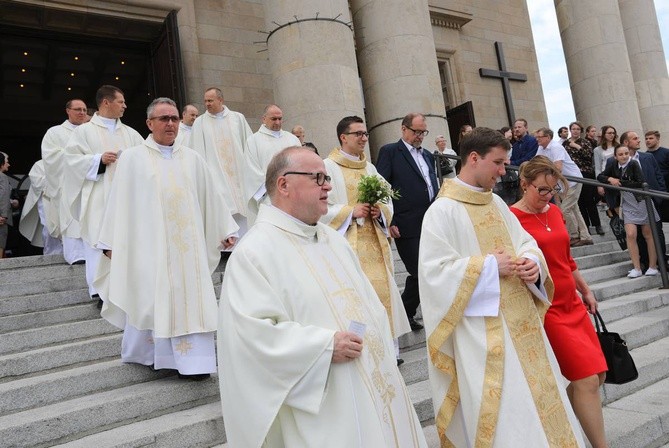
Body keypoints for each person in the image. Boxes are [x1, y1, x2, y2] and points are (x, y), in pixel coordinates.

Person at [218, 147, 428, 448]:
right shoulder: (254, 253)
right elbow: (250, 337)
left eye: (326, 177)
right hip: (325, 402)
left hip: (373, 384)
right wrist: (324, 346)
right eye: (317, 178)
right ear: (284, 185)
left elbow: (369, 304)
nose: (328, 186)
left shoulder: (333, 239)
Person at [418, 127, 585, 447]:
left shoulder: (495, 204)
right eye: (498, 162)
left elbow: (527, 243)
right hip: (484, 337)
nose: (503, 170)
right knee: (510, 416)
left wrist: (531, 262)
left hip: (524, 327)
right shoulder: (441, 212)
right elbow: (433, 275)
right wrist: (488, 266)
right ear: (473, 158)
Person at [94, 97, 238, 380]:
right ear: (149, 123)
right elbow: (118, 203)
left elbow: (211, 198)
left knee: (192, 301)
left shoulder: (192, 158)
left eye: (174, 118)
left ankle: (194, 363)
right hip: (152, 248)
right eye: (164, 119)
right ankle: (153, 355)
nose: (171, 123)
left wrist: (225, 230)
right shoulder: (133, 158)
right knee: (150, 297)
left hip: (190, 252)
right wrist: (110, 242)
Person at [511, 156, 608, 448]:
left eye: (552, 190)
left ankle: (560, 428)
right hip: (548, 307)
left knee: (598, 376)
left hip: (572, 303)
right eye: (541, 190)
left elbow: (567, 259)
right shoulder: (511, 218)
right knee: (585, 380)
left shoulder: (553, 211)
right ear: (524, 184)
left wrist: (586, 291)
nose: (548, 196)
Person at [321, 116, 411, 365]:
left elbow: (387, 200)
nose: (363, 138)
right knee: (356, 296)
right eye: (358, 133)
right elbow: (319, 207)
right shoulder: (327, 167)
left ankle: (390, 350)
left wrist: (378, 212)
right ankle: (364, 348)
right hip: (347, 245)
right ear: (343, 137)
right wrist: (351, 211)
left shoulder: (370, 168)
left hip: (375, 244)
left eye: (365, 134)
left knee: (381, 295)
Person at [62, 85, 144, 305]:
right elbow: (70, 162)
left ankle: (127, 290)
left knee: (127, 241)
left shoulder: (131, 133)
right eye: (121, 101)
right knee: (98, 241)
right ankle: (100, 292)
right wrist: (97, 160)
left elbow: (146, 161)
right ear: (106, 103)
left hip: (127, 199)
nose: (125, 106)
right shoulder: (84, 132)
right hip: (99, 197)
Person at [376, 112, 438, 331]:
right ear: (404, 129)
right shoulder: (390, 152)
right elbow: (382, 186)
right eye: (416, 131)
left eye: (423, 132)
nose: (420, 136)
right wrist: (388, 219)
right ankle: (406, 312)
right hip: (405, 224)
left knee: (428, 270)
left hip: (430, 222)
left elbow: (431, 184)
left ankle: (406, 312)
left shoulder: (429, 155)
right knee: (420, 271)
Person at [190, 87, 252, 233]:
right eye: (205, 101)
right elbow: (196, 151)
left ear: (220, 100)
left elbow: (248, 145)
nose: (207, 104)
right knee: (224, 215)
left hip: (240, 176)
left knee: (245, 218)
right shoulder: (200, 123)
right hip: (216, 177)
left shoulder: (238, 118)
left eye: (210, 100)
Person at [598, 145, 660, 278]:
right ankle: (636, 268)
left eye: (626, 153)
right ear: (615, 156)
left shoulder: (633, 164)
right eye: (620, 154)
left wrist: (621, 183)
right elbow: (600, 176)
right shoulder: (613, 165)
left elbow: (641, 182)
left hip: (641, 200)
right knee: (631, 234)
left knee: (647, 234)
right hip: (626, 202)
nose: (624, 156)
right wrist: (610, 179)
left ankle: (652, 266)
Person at [41, 99, 89, 264]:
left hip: (90, 183)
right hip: (68, 185)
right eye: (77, 109)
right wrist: (78, 159)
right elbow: (51, 157)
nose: (82, 112)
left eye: (84, 109)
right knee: (72, 219)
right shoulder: (54, 133)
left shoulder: (92, 131)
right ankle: (76, 255)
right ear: (68, 111)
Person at [535, 127, 594, 245]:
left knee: (565, 209)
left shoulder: (556, 147)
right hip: (561, 183)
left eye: (539, 137)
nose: (537, 140)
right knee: (573, 209)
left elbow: (558, 168)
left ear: (547, 137)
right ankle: (585, 236)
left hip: (573, 181)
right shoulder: (541, 148)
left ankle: (574, 236)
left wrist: (546, 179)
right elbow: (536, 163)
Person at [243, 104, 301, 224]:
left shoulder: (292, 139)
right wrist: (274, 192)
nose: (278, 122)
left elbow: (302, 165)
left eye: (280, 118)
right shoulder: (253, 141)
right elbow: (251, 171)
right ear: (264, 119)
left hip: (294, 195)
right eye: (273, 119)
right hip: (270, 198)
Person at [565, 122, 602, 236]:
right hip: (572, 175)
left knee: (589, 200)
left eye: (577, 129)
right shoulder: (565, 144)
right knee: (579, 201)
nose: (575, 131)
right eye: (573, 129)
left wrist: (577, 146)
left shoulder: (585, 142)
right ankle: (585, 226)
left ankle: (597, 225)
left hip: (585, 173)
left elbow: (588, 155)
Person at [18, 160, 63, 254]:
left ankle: (65, 251)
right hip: (46, 201)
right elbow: (38, 183)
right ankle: (50, 252)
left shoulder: (64, 161)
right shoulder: (39, 165)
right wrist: (55, 179)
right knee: (48, 227)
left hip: (62, 201)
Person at [644, 130, 669, 221]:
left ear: (658, 139)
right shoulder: (645, 156)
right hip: (653, 191)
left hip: (666, 189)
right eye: (646, 139)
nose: (648, 140)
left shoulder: (666, 152)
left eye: (651, 138)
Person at [0, 152, 14, 258]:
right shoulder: (2, 177)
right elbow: (4, 197)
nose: (8, 165)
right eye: (7, 162)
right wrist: (3, 216)